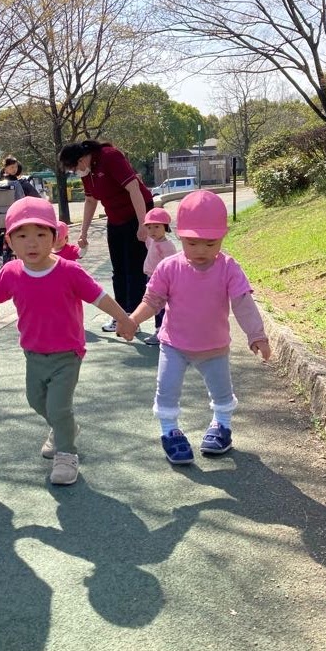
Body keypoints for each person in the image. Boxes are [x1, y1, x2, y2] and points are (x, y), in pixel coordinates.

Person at [0, 197, 136, 485]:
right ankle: (65, 428)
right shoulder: (11, 272)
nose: (32, 243)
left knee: (58, 407)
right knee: (36, 401)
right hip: (33, 354)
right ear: (9, 241)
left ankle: (66, 454)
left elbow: (100, 297)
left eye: (40, 234)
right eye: (22, 236)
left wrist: (124, 319)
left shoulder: (69, 271)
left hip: (67, 354)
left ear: (55, 237)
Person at [125, 190, 271, 465]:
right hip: (173, 345)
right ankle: (169, 431)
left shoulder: (228, 268)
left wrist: (256, 335)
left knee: (221, 391)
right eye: (192, 243)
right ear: (180, 236)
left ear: (223, 237)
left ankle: (222, 425)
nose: (201, 250)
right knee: (166, 390)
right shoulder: (169, 267)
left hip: (214, 347)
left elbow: (243, 302)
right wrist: (133, 321)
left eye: (210, 243)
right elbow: (152, 300)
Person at [58, 140, 153, 334]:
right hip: (115, 217)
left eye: (74, 168)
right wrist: (83, 233)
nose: (76, 172)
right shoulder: (87, 172)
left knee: (134, 267)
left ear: (82, 159)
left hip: (137, 212)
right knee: (118, 268)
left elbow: (134, 188)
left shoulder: (110, 156)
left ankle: (133, 318)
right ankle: (120, 314)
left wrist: (142, 223)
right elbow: (90, 200)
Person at [141, 207, 177, 346]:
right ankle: (159, 330)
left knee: (160, 307)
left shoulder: (167, 246)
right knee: (155, 307)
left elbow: (171, 265)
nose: (152, 231)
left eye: (157, 227)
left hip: (161, 281)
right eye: (149, 227)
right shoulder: (152, 241)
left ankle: (162, 331)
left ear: (165, 227)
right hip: (151, 278)